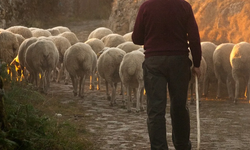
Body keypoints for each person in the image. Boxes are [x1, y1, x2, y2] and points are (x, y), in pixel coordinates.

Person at [132, 0, 202, 149]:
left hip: (154, 62)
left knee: (156, 109)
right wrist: (196, 63)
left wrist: (153, 37)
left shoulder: (146, 6)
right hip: (179, 61)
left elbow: (136, 38)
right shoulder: (184, 6)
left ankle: (159, 147)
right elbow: (194, 37)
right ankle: (182, 145)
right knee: (179, 106)